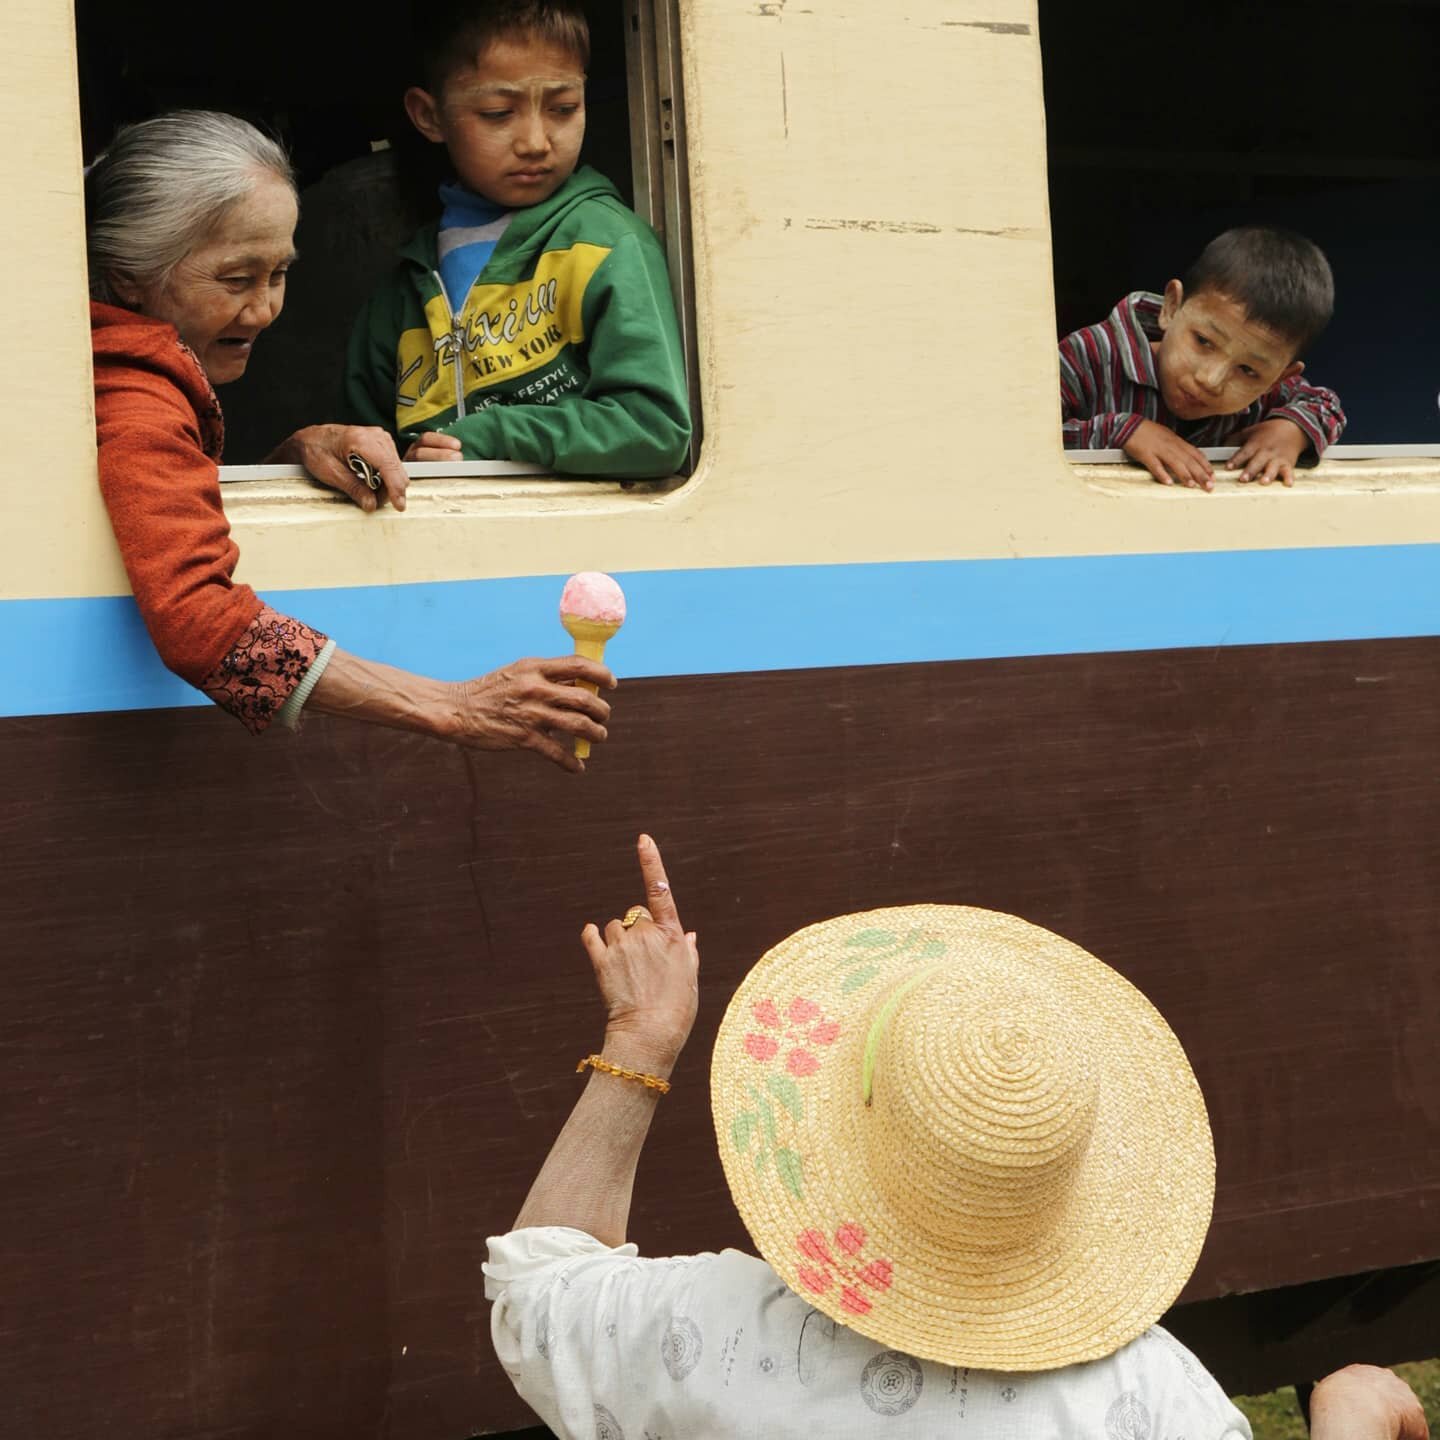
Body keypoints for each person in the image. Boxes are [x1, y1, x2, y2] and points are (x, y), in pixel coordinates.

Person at [483, 836, 1431, 1439]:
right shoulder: (1152, 1406)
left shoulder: (717, 1337)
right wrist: (1343, 1415)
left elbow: (538, 1290)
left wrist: (640, 1042)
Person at [89, 109, 613, 761]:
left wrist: (288, 457)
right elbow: (202, 629)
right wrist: (453, 705)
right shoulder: (138, 397)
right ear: (124, 275)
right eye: (235, 279)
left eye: (278, 274)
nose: (265, 310)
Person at [341, 0, 691, 478]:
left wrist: (493, 436)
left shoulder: (606, 245)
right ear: (429, 116)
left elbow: (654, 430)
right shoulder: (399, 297)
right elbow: (365, 459)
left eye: (563, 108)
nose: (535, 141)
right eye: (497, 113)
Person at [1059, 226, 1346, 491]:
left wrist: (1291, 431)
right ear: (1171, 307)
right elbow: (1025, 439)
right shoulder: (1089, 355)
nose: (1210, 380)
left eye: (1247, 370)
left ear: (1278, 379)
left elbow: (1326, 405)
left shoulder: (1269, 393)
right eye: (1203, 341)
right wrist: (1120, 431)